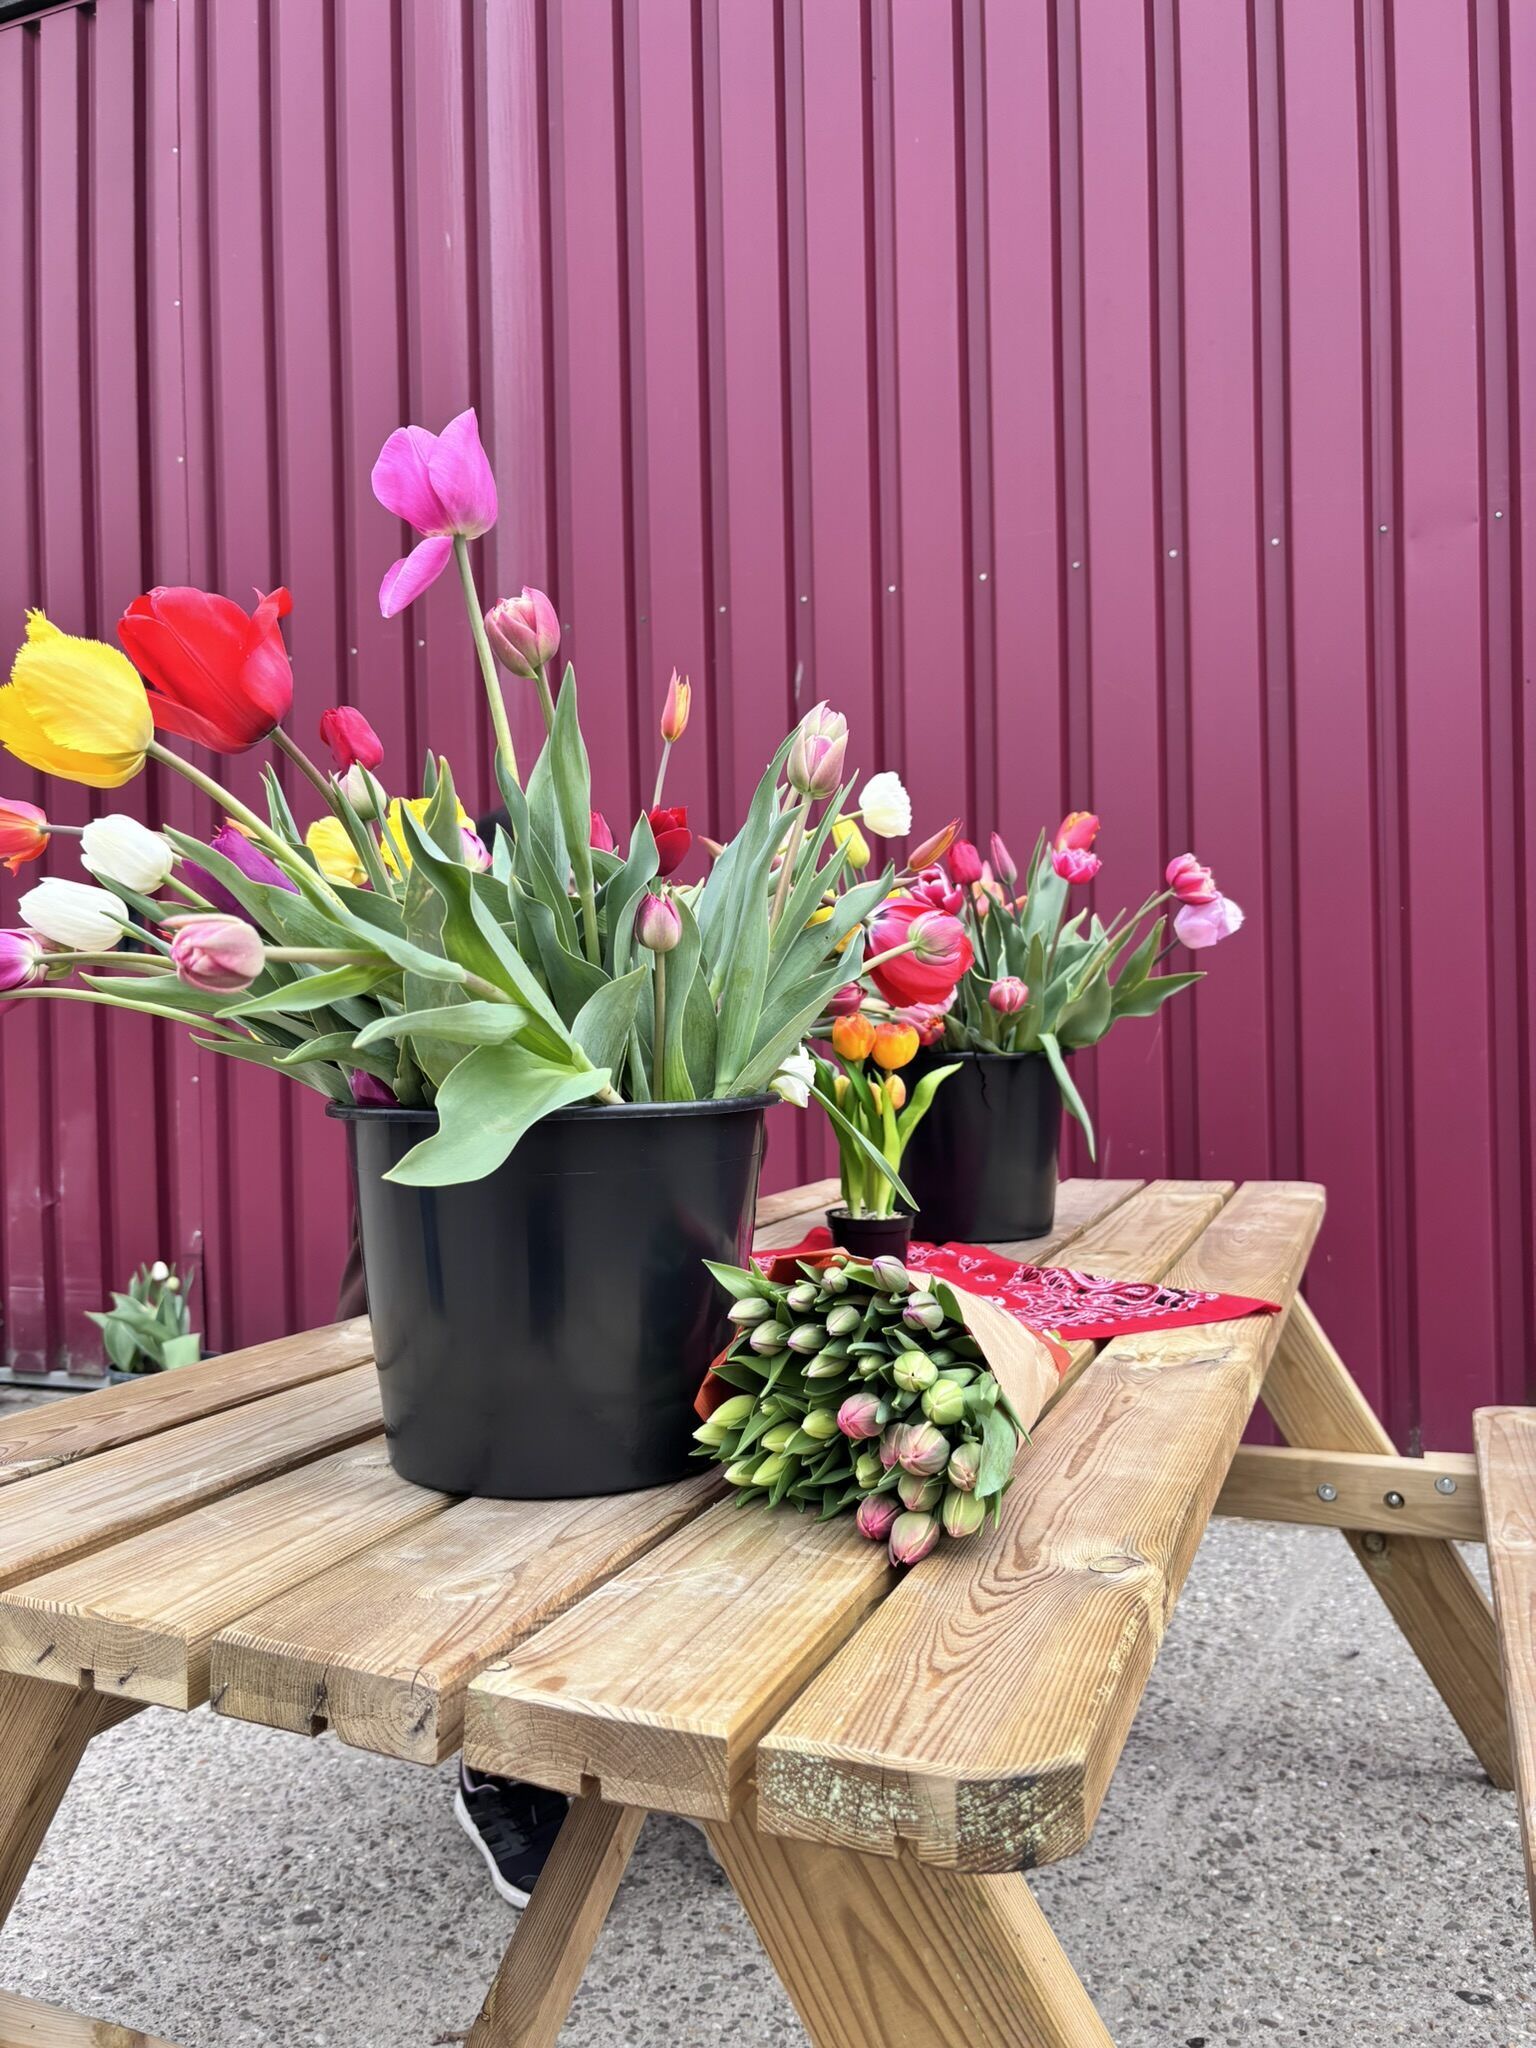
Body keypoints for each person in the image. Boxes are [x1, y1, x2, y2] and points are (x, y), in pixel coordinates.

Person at [337, 804, 567, 1909]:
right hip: (448, 1287)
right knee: (484, 1476)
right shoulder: (416, 993)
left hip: (586, 1241)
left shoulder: (586, 973)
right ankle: (504, 1754)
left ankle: (635, 1712)